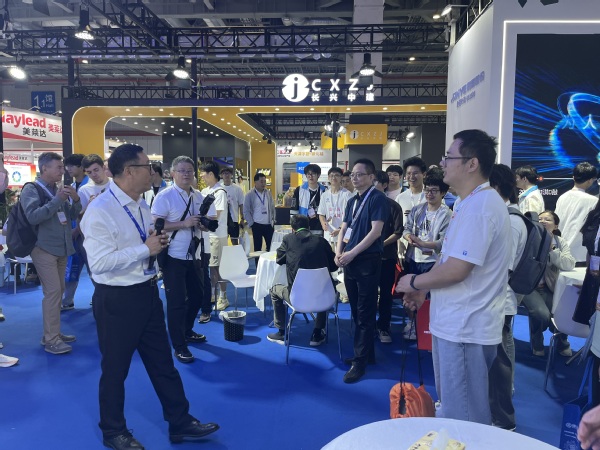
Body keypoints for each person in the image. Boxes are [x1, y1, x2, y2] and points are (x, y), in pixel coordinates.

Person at [80, 144, 219, 449]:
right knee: (115, 369)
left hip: (147, 292)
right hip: (117, 300)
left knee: (162, 363)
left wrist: (154, 244)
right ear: (130, 171)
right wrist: (145, 249)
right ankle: (113, 431)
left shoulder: (141, 204)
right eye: (147, 166)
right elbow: (99, 263)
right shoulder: (100, 210)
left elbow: (144, 244)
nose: (153, 172)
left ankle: (179, 421)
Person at [398, 129, 511, 425]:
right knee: (453, 407)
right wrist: (424, 291)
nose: (443, 162)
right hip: (456, 323)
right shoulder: (467, 203)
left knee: (464, 417)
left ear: (472, 163)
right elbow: (449, 259)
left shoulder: (480, 207)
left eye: (449, 157)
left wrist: (413, 282)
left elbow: (458, 270)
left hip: (465, 327)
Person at [21, 152, 82, 354]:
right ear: (44, 168)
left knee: (58, 290)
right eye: (58, 167)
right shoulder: (31, 189)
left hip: (61, 247)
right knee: (53, 292)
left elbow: (71, 215)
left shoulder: (57, 189)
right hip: (43, 248)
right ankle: (51, 340)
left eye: (62, 167)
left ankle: (52, 333)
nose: (62, 171)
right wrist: (57, 200)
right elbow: (33, 217)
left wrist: (76, 200)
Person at [151, 156, 210, 364]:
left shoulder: (198, 195)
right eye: (182, 170)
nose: (186, 174)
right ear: (173, 174)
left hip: (194, 254)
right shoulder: (165, 196)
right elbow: (156, 224)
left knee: (198, 296)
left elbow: (201, 221)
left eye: (190, 171)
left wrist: (202, 225)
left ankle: (187, 330)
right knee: (176, 303)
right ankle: (179, 345)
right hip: (173, 255)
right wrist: (183, 223)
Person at [336, 158, 388, 383]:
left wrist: (352, 253)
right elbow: (344, 229)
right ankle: (367, 354)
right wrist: (339, 251)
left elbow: (376, 232)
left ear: (371, 177)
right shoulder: (352, 201)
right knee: (356, 310)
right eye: (352, 174)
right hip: (350, 260)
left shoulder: (377, 198)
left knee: (365, 311)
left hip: (367, 260)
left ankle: (360, 362)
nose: (354, 178)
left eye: (359, 174)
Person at [488, 163, 527, 432]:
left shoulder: (511, 221)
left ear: (496, 187)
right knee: (502, 352)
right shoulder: (507, 216)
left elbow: (505, 268)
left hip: (501, 299)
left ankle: (503, 419)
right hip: (499, 299)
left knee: (498, 361)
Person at [266, 214, 338, 346]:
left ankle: (281, 332)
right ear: (309, 227)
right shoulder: (322, 241)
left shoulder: (288, 240)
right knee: (323, 287)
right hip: (324, 297)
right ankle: (317, 332)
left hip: (297, 297)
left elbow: (279, 259)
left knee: (274, 290)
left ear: (292, 229)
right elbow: (334, 267)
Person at [401, 167, 452, 340]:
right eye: (427, 190)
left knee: (429, 298)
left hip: (433, 262)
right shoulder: (417, 210)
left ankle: (427, 328)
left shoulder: (447, 214)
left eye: (434, 191)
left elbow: (443, 242)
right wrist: (409, 237)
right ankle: (413, 323)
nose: (429, 194)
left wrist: (423, 244)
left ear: (443, 193)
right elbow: (406, 228)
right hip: (413, 258)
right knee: (410, 295)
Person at [521, 210, 575, 357]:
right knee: (541, 314)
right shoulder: (527, 238)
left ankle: (562, 342)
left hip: (550, 288)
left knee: (561, 314)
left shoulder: (560, 242)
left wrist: (552, 248)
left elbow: (569, 264)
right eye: (540, 219)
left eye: (547, 219)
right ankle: (537, 341)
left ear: (556, 226)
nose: (543, 221)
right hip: (529, 288)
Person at [372, 170, 403, 344]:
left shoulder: (393, 206)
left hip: (387, 257)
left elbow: (398, 232)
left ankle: (384, 326)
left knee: (385, 294)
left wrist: (380, 244)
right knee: (367, 294)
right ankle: (368, 326)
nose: (372, 185)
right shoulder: (363, 204)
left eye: (376, 182)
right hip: (367, 258)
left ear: (384, 185)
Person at [199, 161, 230, 310]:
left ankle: (223, 297)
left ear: (211, 174)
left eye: (203, 174)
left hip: (217, 236)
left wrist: (199, 219)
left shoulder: (220, 192)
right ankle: (213, 294)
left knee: (218, 268)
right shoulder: (204, 191)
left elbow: (215, 215)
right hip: (206, 235)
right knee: (210, 267)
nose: (201, 177)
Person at [555, 162, 598, 264]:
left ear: (573, 177)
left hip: (561, 252)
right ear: (590, 180)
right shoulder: (593, 201)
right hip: (580, 254)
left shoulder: (562, 197)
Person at [61, 153, 90, 310]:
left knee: (94, 268)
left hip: (88, 234)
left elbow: (89, 212)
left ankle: (100, 297)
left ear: (81, 167)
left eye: (72, 166)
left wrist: (77, 230)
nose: (68, 169)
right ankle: (67, 301)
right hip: (72, 233)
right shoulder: (71, 186)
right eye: (67, 166)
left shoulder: (90, 186)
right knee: (71, 267)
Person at [243, 172, 275, 262]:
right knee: (257, 249)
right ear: (255, 182)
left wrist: (273, 220)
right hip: (256, 225)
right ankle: (258, 267)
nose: (263, 183)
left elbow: (272, 207)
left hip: (268, 225)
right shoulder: (249, 194)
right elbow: (246, 210)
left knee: (271, 248)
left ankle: (269, 265)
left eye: (265, 181)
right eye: (261, 181)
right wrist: (251, 224)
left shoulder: (268, 193)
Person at [291, 164, 326, 235]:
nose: (310, 176)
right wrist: (293, 224)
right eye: (308, 174)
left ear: (318, 175)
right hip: (302, 225)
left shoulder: (324, 191)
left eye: (313, 174)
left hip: (319, 225)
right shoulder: (299, 190)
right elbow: (294, 208)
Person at [318, 167, 350, 245]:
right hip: (329, 233)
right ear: (328, 178)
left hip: (343, 232)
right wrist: (323, 223)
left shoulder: (347, 194)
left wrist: (340, 228)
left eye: (336, 175)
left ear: (341, 177)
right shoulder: (325, 195)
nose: (333, 177)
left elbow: (350, 215)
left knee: (342, 251)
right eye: (331, 175)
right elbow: (321, 213)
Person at [395, 156, 427, 223]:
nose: (412, 177)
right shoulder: (400, 198)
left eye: (415, 173)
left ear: (424, 174)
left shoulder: (431, 196)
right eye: (409, 173)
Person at [220, 167, 245, 245]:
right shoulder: (219, 188)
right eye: (224, 173)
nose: (226, 175)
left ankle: (236, 253)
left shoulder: (237, 189)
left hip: (234, 220)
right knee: (222, 242)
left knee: (235, 242)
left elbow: (241, 204)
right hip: (222, 221)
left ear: (231, 175)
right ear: (221, 175)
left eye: (228, 173)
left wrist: (242, 218)